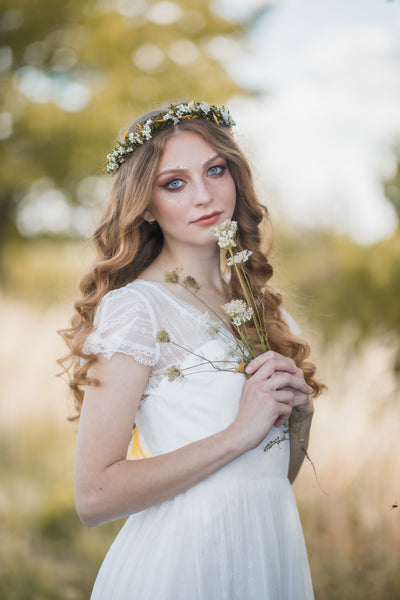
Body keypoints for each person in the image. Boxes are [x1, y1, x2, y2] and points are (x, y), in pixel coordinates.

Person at [59, 100, 323, 599]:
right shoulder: (137, 309)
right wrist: (239, 431)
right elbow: (93, 497)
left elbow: (270, 477)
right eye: (174, 183)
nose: (204, 195)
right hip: (186, 565)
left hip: (266, 553)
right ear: (145, 204)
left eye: (215, 170)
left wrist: (300, 414)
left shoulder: (262, 310)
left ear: (235, 177)